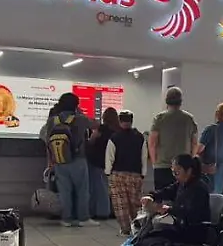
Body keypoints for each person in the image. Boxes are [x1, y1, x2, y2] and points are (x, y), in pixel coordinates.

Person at [41, 92, 97, 227]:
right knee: (82, 190)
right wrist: (80, 112)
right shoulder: (80, 119)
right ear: (76, 105)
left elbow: (47, 141)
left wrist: (51, 160)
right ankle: (83, 218)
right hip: (78, 159)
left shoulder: (52, 121)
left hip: (59, 160)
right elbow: (96, 124)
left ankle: (66, 219)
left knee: (64, 191)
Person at [140, 154, 211, 245]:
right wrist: (151, 196)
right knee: (150, 232)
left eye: (177, 173)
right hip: (181, 227)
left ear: (189, 171)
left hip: (194, 232)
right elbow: (166, 191)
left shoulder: (199, 189)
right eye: (173, 172)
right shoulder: (181, 184)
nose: (174, 176)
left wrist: (169, 209)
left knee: (152, 238)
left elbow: (191, 213)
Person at [149, 87, 199, 192]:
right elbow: (194, 143)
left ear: (166, 100)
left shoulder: (159, 118)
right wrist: (190, 159)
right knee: (181, 196)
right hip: (183, 167)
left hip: (163, 165)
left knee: (161, 196)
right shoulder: (189, 119)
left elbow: (152, 143)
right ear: (180, 101)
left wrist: (155, 162)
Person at [106, 110, 148, 235]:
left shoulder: (114, 137)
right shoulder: (139, 137)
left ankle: (125, 229)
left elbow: (109, 156)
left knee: (120, 204)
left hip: (117, 174)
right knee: (135, 203)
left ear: (119, 121)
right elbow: (144, 156)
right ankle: (138, 226)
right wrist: (143, 173)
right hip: (135, 174)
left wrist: (108, 172)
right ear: (131, 121)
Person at [87, 107, 118, 221]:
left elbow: (91, 140)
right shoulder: (117, 131)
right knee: (106, 187)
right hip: (110, 163)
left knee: (97, 188)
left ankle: (101, 211)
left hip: (97, 161)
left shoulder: (102, 129)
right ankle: (106, 210)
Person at [198, 103, 223, 194]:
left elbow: (199, 149)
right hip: (222, 171)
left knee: (208, 196)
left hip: (209, 170)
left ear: (217, 114)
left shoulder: (211, 129)